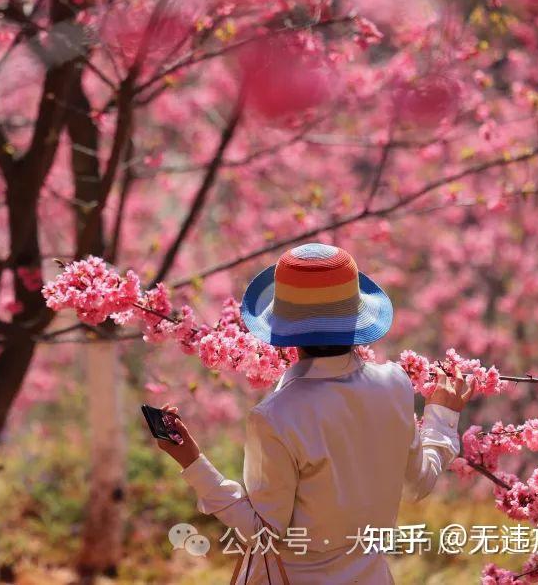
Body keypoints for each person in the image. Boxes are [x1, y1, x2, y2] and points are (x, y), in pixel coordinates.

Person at [155, 243, 475, 584]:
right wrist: (441, 418)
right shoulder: (395, 384)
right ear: (356, 319)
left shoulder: (276, 416)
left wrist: (193, 463)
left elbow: (263, 533)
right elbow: (419, 484)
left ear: (284, 331)